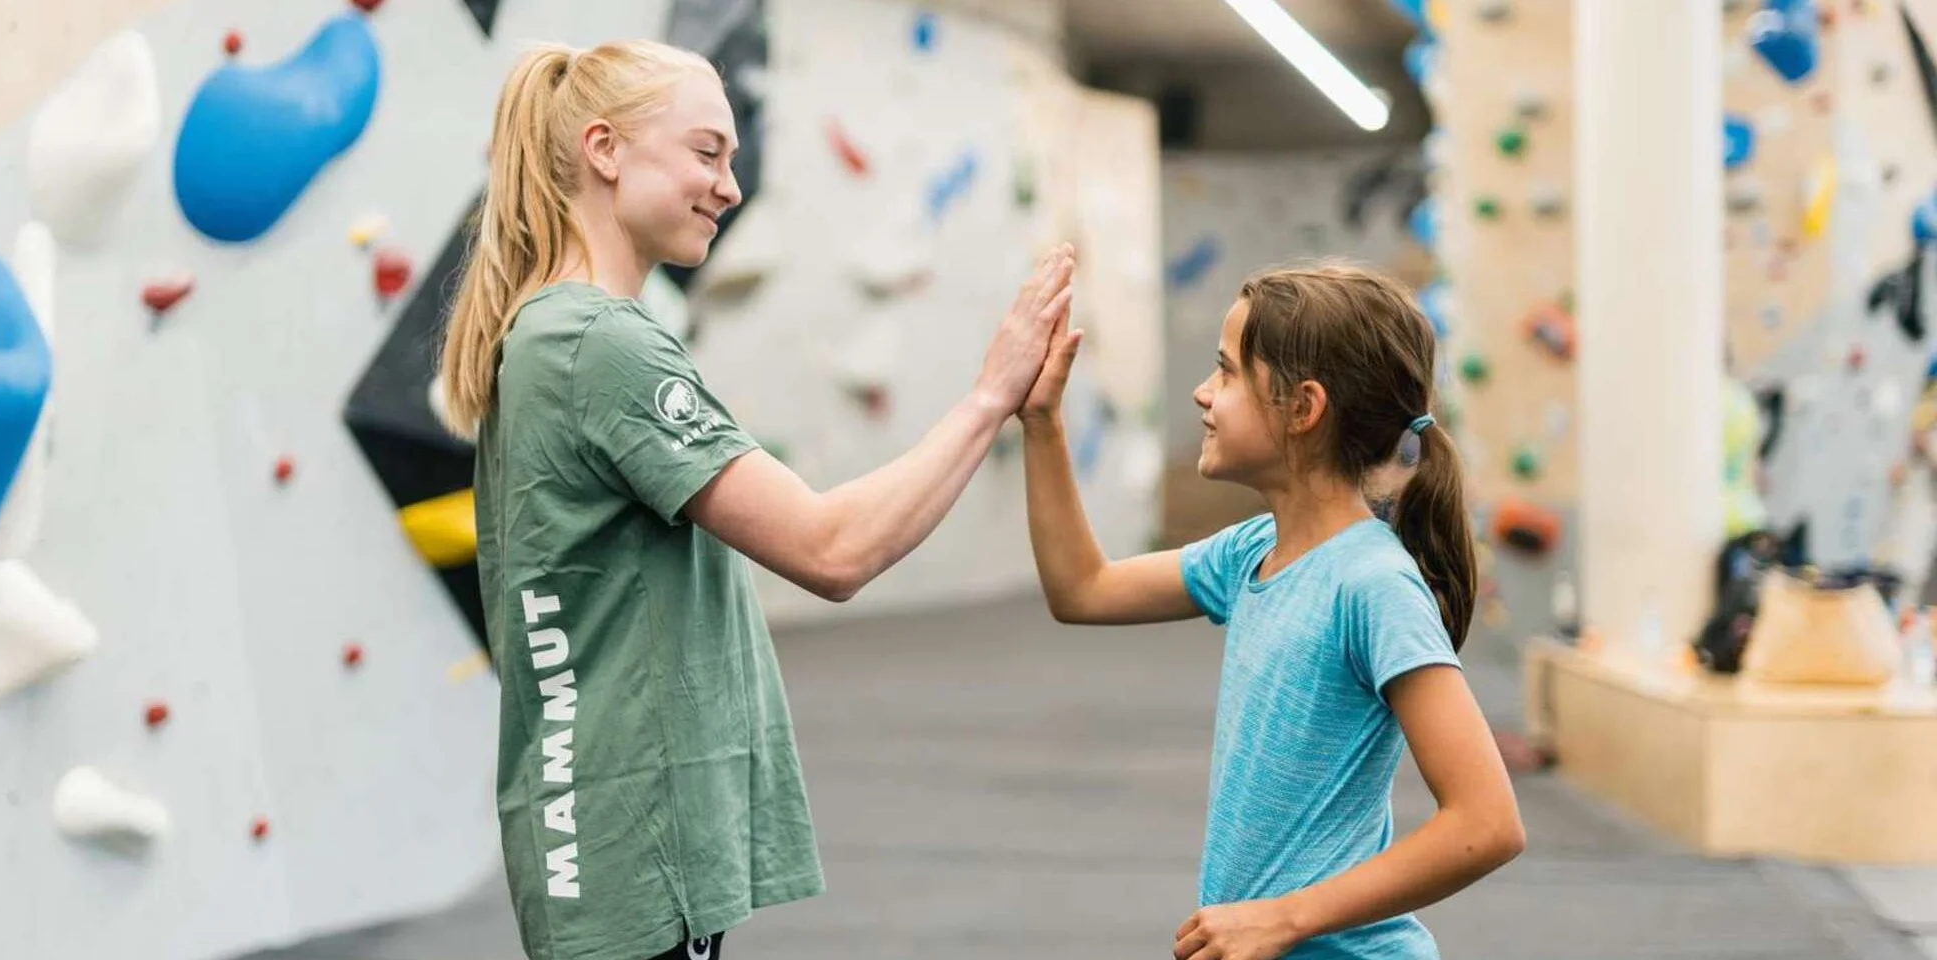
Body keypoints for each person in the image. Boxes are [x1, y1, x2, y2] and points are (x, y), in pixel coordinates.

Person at [435, 40, 1074, 960]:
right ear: (606, 150)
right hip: (630, 854)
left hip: (611, 846)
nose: (730, 188)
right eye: (707, 153)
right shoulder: (596, 344)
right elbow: (833, 549)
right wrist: (989, 397)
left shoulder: (559, 334)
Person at [1017, 263, 1523, 960]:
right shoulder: (1254, 551)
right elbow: (1082, 588)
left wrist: (1285, 918)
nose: (1201, 393)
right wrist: (1041, 422)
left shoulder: (1372, 584)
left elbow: (1487, 822)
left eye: (1225, 373)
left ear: (1302, 408)